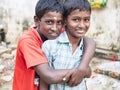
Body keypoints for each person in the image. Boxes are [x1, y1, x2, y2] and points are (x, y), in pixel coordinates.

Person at [12, 0, 95, 90]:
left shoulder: (59, 34)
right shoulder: (28, 41)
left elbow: (89, 41)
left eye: (59, 22)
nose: (55, 28)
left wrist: (82, 68)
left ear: (64, 23)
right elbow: (49, 75)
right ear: (37, 20)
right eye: (49, 22)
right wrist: (82, 72)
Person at [40, 0, 93, 89]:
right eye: (75, 20)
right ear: (64, 21)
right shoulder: (50, 46)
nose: (82, 25)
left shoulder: (86, 47)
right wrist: (78, 71)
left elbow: (88, 73)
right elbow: (44, 80)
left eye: (86, 20)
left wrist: (83, 71)